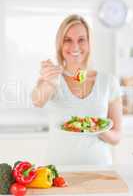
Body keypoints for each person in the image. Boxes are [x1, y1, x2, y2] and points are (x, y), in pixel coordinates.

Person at [32, 14, 122, 165]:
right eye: (68, 40)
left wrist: (97, 129)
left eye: (81, 40)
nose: (75, 47)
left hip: (99, 170)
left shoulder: (108, 81)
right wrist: (49, 82)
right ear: (60, 44)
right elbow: (37, 101)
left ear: (89, 43)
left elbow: (117, 137)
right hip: (58, 172)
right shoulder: (52, 78)